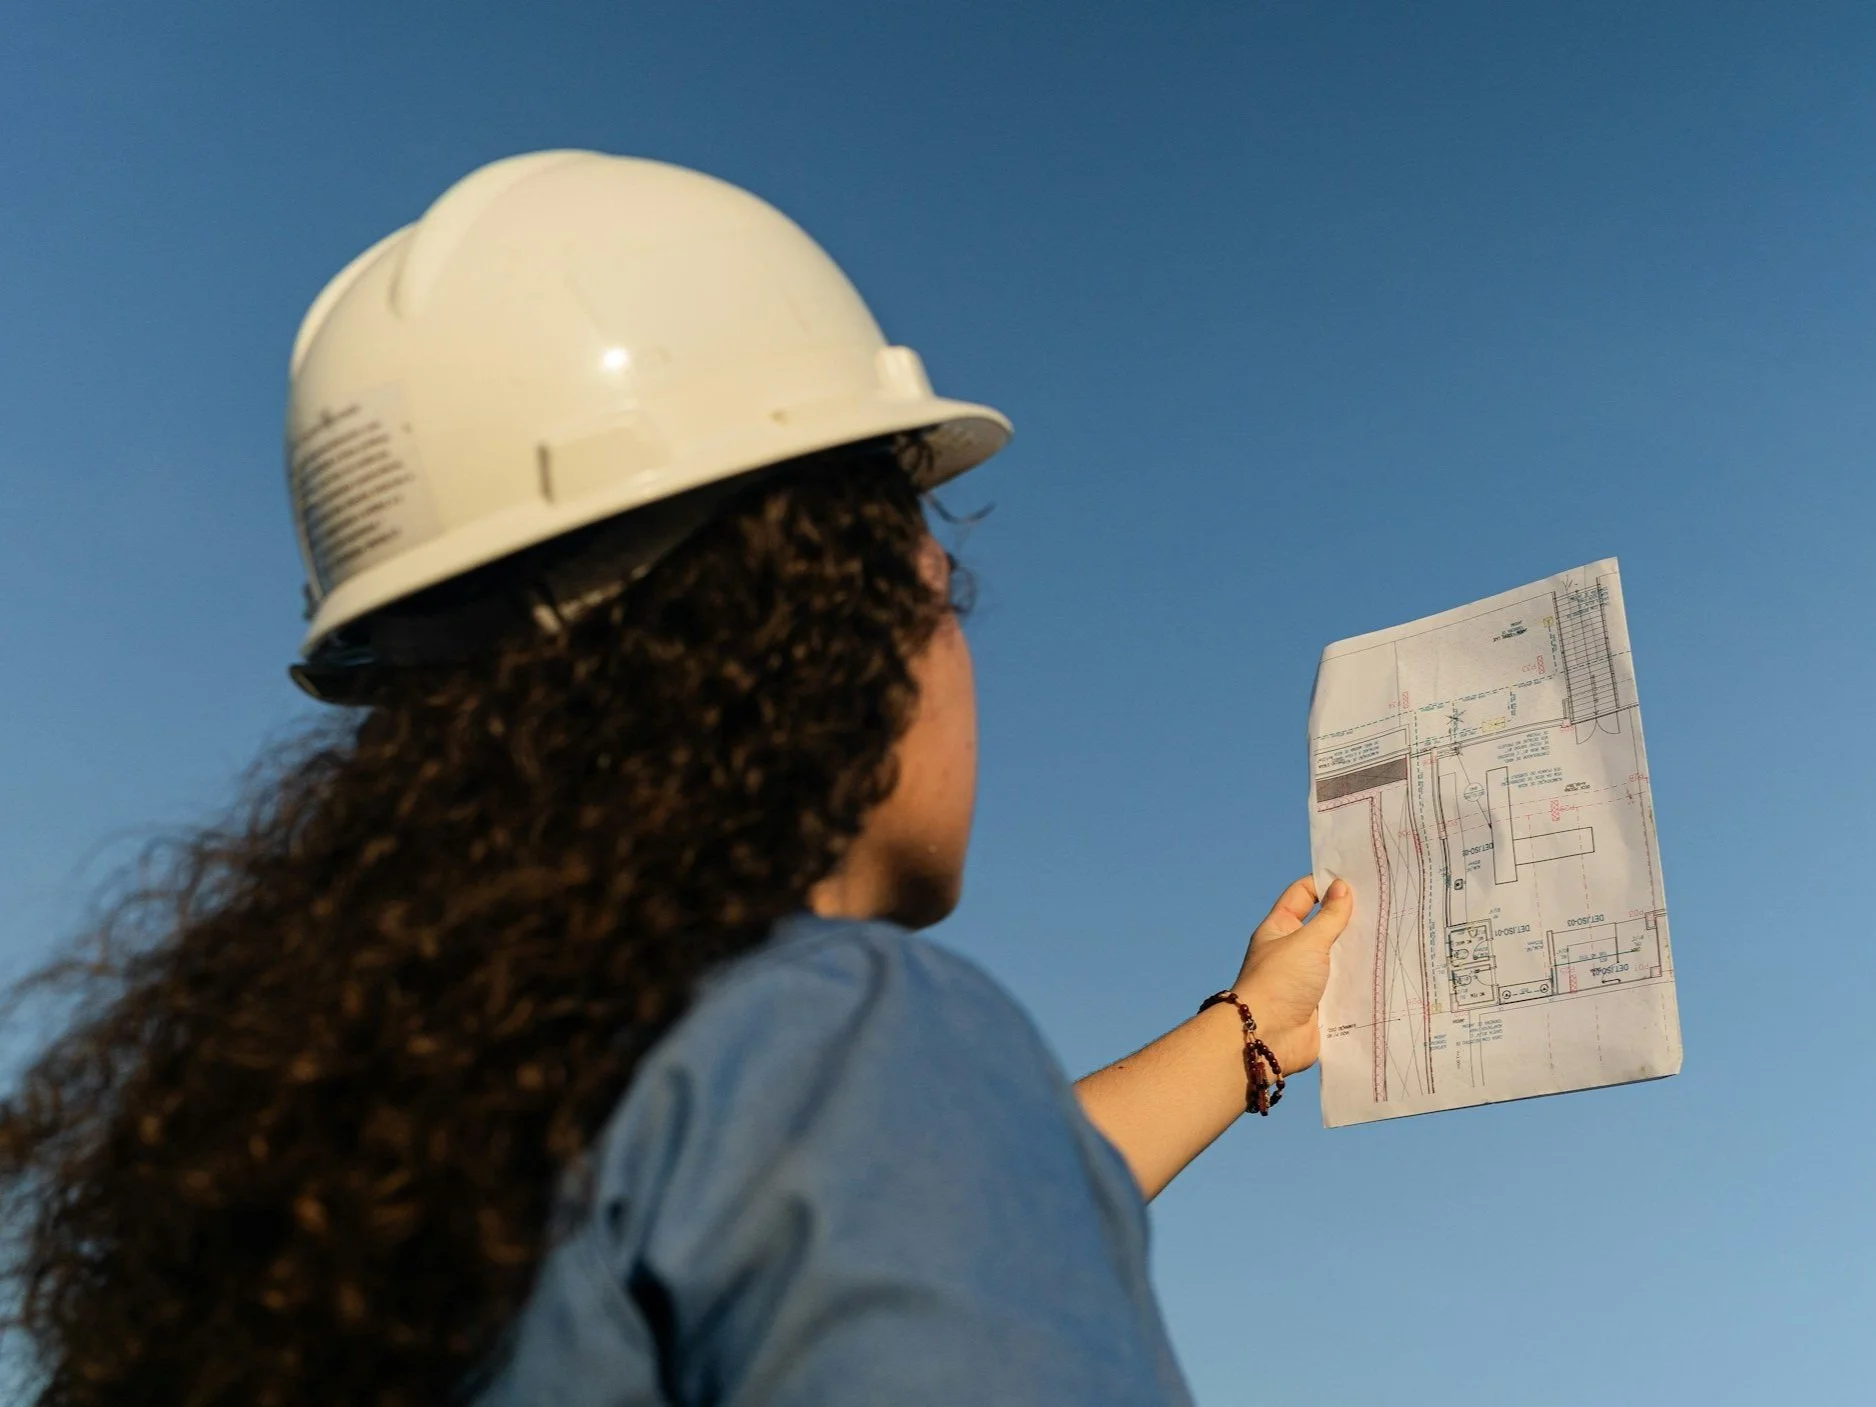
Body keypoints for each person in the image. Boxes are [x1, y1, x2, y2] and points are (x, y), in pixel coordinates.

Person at [0, 151, 1352, 1406]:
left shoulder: (362, 1127)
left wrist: (1247, 1030)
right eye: (941, 578)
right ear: (838, 611)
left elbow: (910, 1204)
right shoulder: (842, 1042)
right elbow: (875, 1187)